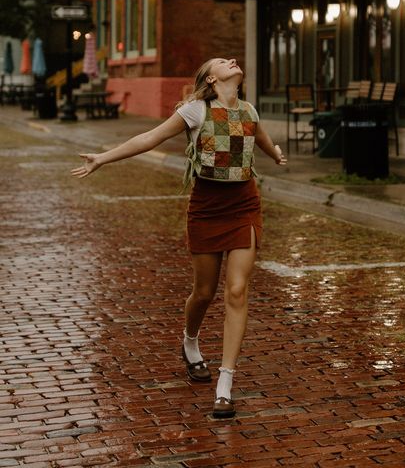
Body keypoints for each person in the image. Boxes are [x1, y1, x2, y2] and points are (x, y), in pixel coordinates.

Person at [71, 57, 286, 418]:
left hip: (244, 205)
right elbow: (149, 137)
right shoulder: (196, 111)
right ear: (211, 78)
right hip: (206, 207)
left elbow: (259, 138)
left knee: (236, 290)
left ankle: (225, 383)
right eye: (222, 61)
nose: (231, 61)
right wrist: (103, 158)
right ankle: (190, 342)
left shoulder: (249, 110)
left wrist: (275, 152)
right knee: (204, 292)